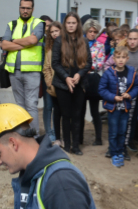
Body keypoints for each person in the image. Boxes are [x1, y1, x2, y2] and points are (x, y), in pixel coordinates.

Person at [104, 28, 138, 157]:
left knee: (128, 121)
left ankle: (123, 147)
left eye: (135, 39)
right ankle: (112, 148)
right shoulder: (122, 52)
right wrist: (114, 79)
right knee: (114, 121)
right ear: (126, 39)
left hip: (132, 92)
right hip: (117, 92)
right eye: (130, 38)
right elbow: (107, 65)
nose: (132, 41)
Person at [1, 0, 45, 125]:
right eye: (23, 8)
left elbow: (33, 40)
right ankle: (24, 137)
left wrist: (13, 41)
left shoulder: (38, 23)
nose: (25, 11)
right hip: (14, 72)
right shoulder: (12, 25)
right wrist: (24, 43)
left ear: (33, 9)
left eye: (28, 8)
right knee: (20, 106)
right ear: (19, 8)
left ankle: (34, 137)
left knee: (31, 105)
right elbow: (4, 44)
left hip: (32, 72)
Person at [52, 12, 90, 156]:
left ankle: (76, 146)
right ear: (64, 24)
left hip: (79, 84)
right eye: (68, 23)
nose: (71, 25)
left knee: (77, 115)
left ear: (78, 24)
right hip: (62, 85)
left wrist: (79, 75)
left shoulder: (84, 41)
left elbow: (88, 63)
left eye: (74, 23)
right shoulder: (59, 41)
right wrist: (66, 78)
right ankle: (67, 145)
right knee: (65, 115)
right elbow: (54, 63)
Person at [99, 46, 138, 168]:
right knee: (113, 132)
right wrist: (113, 97)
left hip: (125, 108)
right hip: (113, 108)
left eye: (123, 57)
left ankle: (120, 151)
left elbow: (136, 87)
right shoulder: (108, 73)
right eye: (118, 57)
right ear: (114, 59)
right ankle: (114, 153)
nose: (121, 60)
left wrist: (130, 94)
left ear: (127, 59)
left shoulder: (132, 72)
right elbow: (101, 89)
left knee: (122, 132)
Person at [84, 19, 104, 146]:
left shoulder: (99, 46)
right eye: (90, 31)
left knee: (94, 111)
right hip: (81, 78)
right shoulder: (81, 44)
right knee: (80, 111)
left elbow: (100, 64)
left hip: (93, 79)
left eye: (95, 31)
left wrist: (87, 66)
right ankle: (79, 138)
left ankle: (98, 138)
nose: (92, 33)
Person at [43, 21, 62, 147]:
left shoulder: (65, 46)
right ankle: (49, 133)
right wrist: (50, 82)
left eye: (56, 31)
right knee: (48, 107)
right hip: (51, 85)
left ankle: (56, 132)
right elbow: (46, 68)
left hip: (62, 85)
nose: (54, 34)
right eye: (52, 32)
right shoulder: (49, 48)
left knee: (58, 110)